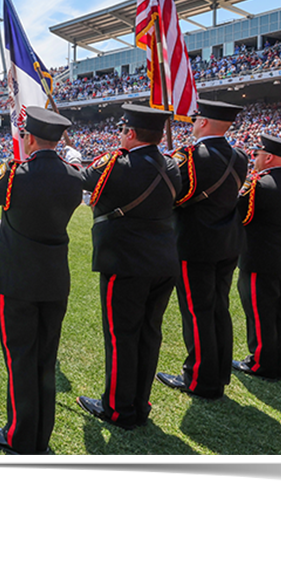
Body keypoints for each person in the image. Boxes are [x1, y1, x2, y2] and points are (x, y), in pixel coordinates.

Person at [0, 107, 84, 455]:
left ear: (29, 138)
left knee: (20, 357)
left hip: (18, 278)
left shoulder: (15, 174)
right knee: (45, 360)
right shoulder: (74, 177)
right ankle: (40, 437)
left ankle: (20, 436)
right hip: (54, 279)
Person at [75, 105, 182, 430]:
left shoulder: (115, 165)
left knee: (122, 337)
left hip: (125, 261)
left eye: (123, 130)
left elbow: (79, 179)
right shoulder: (173, 166)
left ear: (131, 133)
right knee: (149, 334)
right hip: (164, 260)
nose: (120, 135)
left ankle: (119, 409)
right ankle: (139, 401)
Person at [157, 98, 249, 401]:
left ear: (204, 122)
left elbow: (176, 196)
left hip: (194, 242)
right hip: (228, 242)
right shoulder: (239, 156)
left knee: (197, 313)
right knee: (219, 309)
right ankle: (219, 372)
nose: (193, 123)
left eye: (196, 119)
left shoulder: (191, 156)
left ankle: (200, 379)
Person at [232, 134, 281, 381]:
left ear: (269, 157)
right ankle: (277, 363)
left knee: (260, 312)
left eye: (257, 155)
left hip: (262, 259)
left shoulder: (258, 185)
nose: (254, 159)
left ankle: (261, 363)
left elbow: (240, 216)